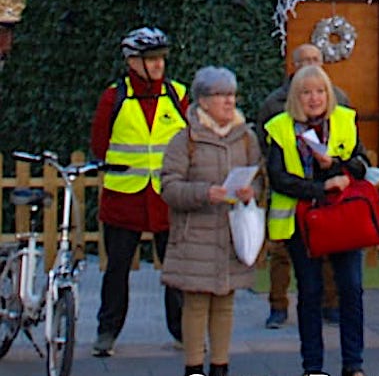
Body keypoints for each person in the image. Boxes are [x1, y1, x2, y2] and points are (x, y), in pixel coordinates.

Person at [265, 65, 370, 376]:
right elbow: (278, 177)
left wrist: (335, 165)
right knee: (309, 292)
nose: (314, 98)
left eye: (320, 91)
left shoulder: (345, 122)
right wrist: (319, 187)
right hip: (302, 221)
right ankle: (313, 365)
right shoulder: (280, 127)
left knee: (350, 289)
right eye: (306, 92)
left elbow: (362, 164)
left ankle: (354, 363)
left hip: (342, 219)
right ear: (296, 97)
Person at [90, 26, 185, 357]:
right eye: (150, 59)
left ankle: (183, 332)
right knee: (116, 270)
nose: (158, 65)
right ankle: (107, 332)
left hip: (166, 197)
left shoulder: (177, 95)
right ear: (132, 61)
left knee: (174, 270)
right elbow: (100, 145)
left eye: (160, 58)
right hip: (124, 197)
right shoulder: (113, 97)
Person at [160, 67, 262, 376]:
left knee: (225, 302)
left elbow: (260, 180)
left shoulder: (246, 138)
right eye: (221, 95)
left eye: (232, 95)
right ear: (203, 101)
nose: (229, 102)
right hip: (195, 235)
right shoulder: (185, 140)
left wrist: (249, 192)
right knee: (195, 304)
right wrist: (205, 193)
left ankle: (220, 365)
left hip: (231, 233)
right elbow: (169, 187)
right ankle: (193, 367)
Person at [257, 43, 350, 329]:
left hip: (327, 200)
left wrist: (333, 168)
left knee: (327, 254)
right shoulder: (275, 103)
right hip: (290, 202)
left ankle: (331, 304)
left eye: (316, 59)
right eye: (305, 59)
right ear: (293, 65)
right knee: (282, 256)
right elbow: (267, 146)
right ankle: (278, 306)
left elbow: (351, 152)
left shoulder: (340, 99)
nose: (311, 63)